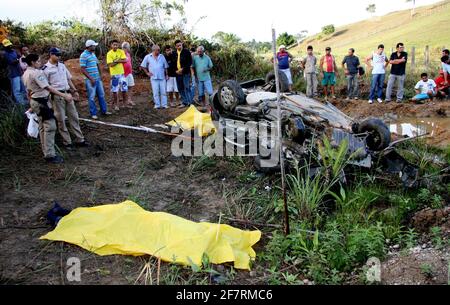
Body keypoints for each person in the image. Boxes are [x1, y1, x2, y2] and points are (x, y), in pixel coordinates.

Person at [23, 53, 74, 164]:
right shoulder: (36, 73)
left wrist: (31, 104)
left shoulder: (26, 73)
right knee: (50, 126)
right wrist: (64, 95)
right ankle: (50, 155)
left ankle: (46, 151)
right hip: (42, 102)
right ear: (33, 62)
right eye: (38, 61)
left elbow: (28, 92)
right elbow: (48, 87)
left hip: (35, 101)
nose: (40, 63)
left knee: (42, 127)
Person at [43, 47, 88, 150]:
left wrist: (75, 91)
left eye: (60, 55)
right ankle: (67, 142)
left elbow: (68, 80)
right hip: (57, 96)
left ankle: (80, 139)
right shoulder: (46, 69)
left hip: (68, 94)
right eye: (57, 55)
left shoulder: (62, 66)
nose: (59, 57)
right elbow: (46, 86)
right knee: (61, 120)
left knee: (74, 117)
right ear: (51, 54)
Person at [80, 39, 111, 119]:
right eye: (93, 45)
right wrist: (91, 79)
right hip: (90, 80)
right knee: (92, 97)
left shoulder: (93, 54)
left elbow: (97, 65)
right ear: (89, 46)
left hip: (97, 79)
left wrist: (100, 75)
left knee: (101, 95)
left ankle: (104, 111)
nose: (95, 47)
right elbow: (83, 69)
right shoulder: (83, 55)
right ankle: (93, 113)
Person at [140, 45, 169, 109]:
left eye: (159, 50)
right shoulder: (148, 57)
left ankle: (164, 105)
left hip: (162, 77)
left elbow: (165, 66)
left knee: (163, 92)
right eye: (157, 50)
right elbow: (143, 66)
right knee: (155, 92)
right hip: (153, 78)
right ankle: (157, 105)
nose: (159, 51)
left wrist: (167, 75)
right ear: (153, 50)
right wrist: (147, 73)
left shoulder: (162, 56)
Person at [2, 39, 28, 105]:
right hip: (13, 74)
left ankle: (26, 102)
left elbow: (20, 57)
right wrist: (18, 59)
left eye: (10, 45)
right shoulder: (5, 54)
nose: (9, 47)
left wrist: (22, 58)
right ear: (4, 47)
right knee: (17, 90)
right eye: (7, 46)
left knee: (23, 88)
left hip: (19, 72)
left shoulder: (14, 51)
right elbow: (11, 62)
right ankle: (21, 104)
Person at [107, 40, 129, 111]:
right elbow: (110, 65)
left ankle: (125, 104)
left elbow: (125, 60)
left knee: (124, 89)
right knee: (115, 91)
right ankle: (116, 105)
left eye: (116, 45)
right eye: (114, 45)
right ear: (111, 45)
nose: (115, 46)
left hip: (122, 74)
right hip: (114, 75)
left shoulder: (121, 51)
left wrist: (116, 61)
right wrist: (119, 60)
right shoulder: (109, 53)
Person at [174, 39, 193, 108]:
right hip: (177, 74)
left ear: (182, 45)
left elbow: (190, 62)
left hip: (185, 73)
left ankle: (190, 102)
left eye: (180, 45)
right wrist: (175, 71)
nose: (179, 47)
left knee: (187, 87)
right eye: (177, 46)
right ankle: (184, 102)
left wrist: (183, 69)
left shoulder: (186, 52)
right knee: (180, 88)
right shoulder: (174, 53)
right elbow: (173, 64)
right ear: (175, 47)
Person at [122, 42, 136, 107]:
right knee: (124, 88)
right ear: (124, 47)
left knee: (131, 86)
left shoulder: (128, 54)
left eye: (128, 47)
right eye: (128, 47)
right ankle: (124, 101)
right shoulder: (121, 54)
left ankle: (129, 100)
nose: (128, 49)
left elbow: (129, 63)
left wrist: (131, 69)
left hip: (129, 73)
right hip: (123, 74)